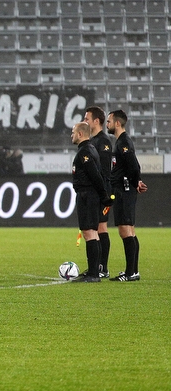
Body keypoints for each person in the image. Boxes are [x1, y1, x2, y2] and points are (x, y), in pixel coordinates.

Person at [107, 109, 147, 281]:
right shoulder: (122, 142)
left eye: (108, 121)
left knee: (125, 231)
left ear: (117, 123)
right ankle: (133, 271)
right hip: (126, 189)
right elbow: (134, 163)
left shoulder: (123, 143)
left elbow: (133, 165)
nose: (106, 124)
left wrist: (136, 180)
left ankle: (131, 272)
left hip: (124, 190)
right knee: (129, 230)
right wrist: (137, 181)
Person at [69, 121, 108, 284]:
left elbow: (95, 175)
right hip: (90, 195)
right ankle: (94, 271)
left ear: (80, 134)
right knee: (92, 233)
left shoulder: (85, 151)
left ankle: (93, 274)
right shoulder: (89, 149)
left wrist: (103, 195)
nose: (71, 135)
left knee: (89, 233)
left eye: (73, 132)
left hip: (88, 195)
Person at [84, 106, 113, 277]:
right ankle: (95, 267)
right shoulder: (91, 141)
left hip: (102, 192)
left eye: (87, 118)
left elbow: (104, 171)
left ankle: (102, 267)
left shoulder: (103, 142)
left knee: (101, 227)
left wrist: (104, 193)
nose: (85, 121)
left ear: (96, 121)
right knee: (94, 228)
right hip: (94, 192)